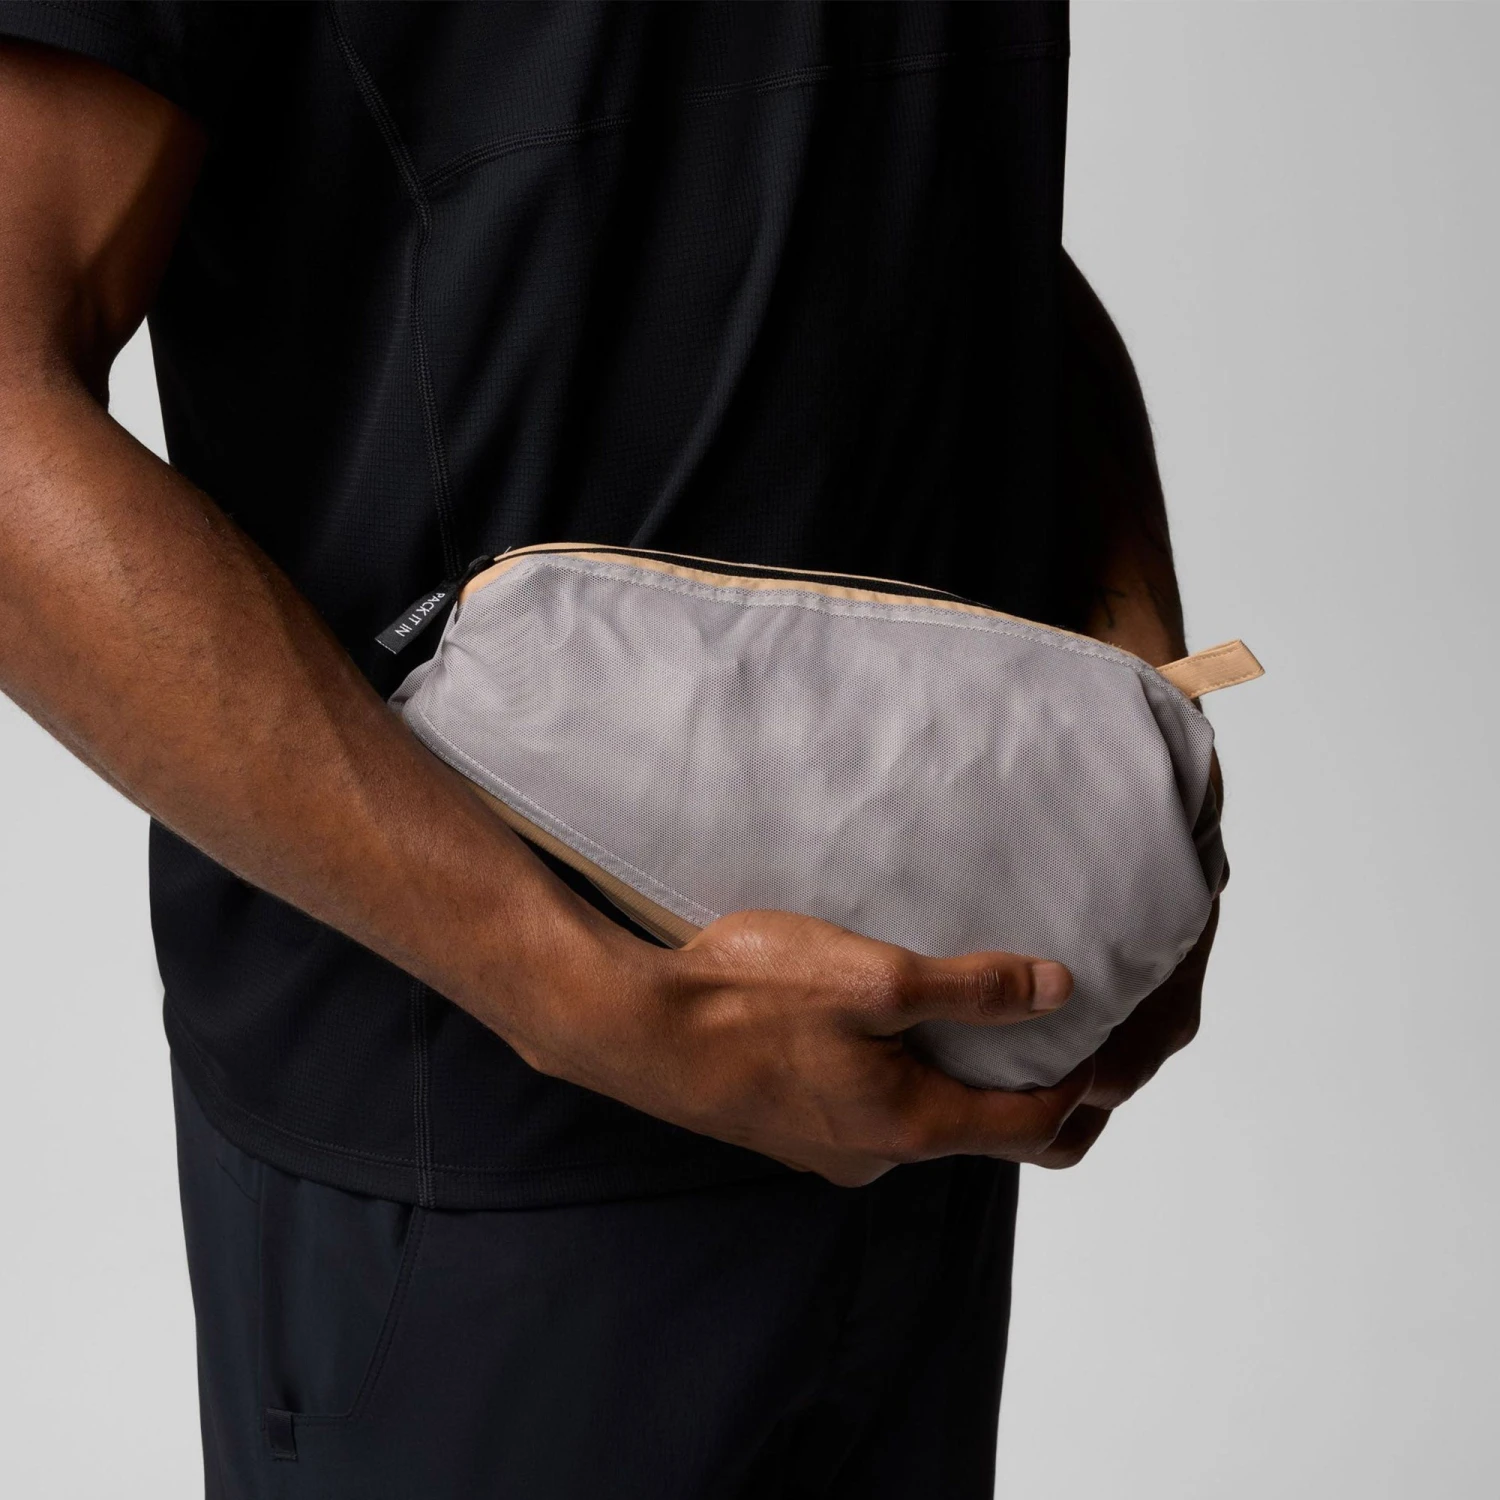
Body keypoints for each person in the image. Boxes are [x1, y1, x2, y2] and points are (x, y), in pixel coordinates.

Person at [0, 4, 1217, 1496]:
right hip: (473, 1155)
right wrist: (581, 1000)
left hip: (925, 1087)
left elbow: (944, 206)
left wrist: (1129, 742)